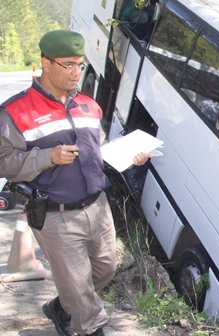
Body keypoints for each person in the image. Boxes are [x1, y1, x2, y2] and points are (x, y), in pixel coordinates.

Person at [0, 30, 149, 336]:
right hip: (56, 214)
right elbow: (4, 162)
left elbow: (99, 149)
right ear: (46, 63)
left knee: (106, 268)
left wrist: (129, 156)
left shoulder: (88, 105)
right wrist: (47, 157)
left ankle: (63, 305)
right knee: (82, 294)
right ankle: (87, 324)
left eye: (80, 65)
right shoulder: (15, 111)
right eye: (68, 64)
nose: (76, 72)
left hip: (98, 206)